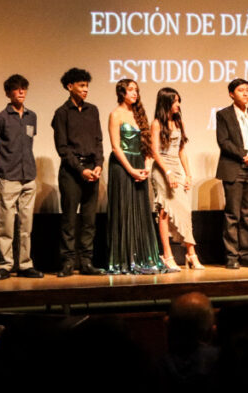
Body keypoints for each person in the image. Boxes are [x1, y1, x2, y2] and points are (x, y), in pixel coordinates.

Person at [106, 78, 167, 274]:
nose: (134, 93)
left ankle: (143, 257)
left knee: (140, 211)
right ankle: (124, 259)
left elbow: (147, 145)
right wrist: (131, 170)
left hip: (140, 165)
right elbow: (116, 147)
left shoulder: (139, 114)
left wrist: (147, 166)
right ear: (121, 92)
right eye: (130, 89)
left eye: (136, 90)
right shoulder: (115, 114)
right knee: (124, 210)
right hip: (122, 166)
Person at [0, 74, 44, 280]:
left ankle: (25, 264)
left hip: (28, 176)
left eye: (24, 88)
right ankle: (5, 264)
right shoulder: (1, 117)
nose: (21, 92)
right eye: (16, 88)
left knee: (26, 225)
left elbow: (27, 145)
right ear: (8, 93)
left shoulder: (31, 116)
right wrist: (0, 172)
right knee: (6, 224)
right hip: (8, 176)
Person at [52, 67, 105, 277]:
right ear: (70, 87)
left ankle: (86, 262)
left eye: (87, 86)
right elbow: (62, 148)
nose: (85, 90)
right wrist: (81, 170)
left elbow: (98, 141)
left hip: (92, 169)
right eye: (81, 86)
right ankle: (67, 262)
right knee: (69, 219)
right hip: (72, 172)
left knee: (89, 219)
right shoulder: (62, 113)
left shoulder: (93, 110)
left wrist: (99, 164)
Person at [215, 78, 248, 269]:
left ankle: (246, 254)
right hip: (234, 168)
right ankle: (232, 256)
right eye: (241, 90)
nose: (245, 93)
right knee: (232, 215)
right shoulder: (223, 115)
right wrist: (245, 156)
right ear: (231, 94)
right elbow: (224, 142)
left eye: (247, 90)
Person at [150, 86, 201, 270]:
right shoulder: (157, 123)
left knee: (185, 211)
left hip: (176, 169)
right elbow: (155, 152)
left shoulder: (179, 123)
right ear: (166, 103)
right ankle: (167, 255)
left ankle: (191, 254)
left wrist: (188, 174)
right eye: (174, 101)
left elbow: (181, 151)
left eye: (179, 101)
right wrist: (168, 173)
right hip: (162, 170)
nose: (178, 105)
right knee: (164, 211)